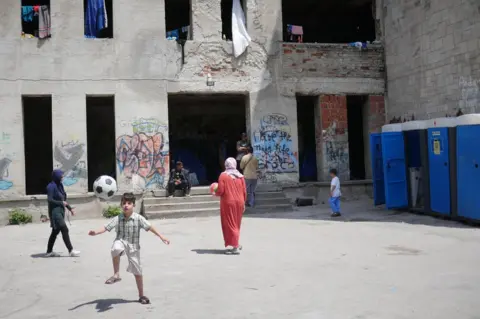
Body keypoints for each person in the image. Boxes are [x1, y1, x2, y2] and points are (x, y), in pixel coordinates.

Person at [88, 192, 170, 305]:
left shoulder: (138, 218)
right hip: (121, 241)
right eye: (124, 203)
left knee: (137, 271)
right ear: (121, 205)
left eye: (129, 203)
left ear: (133, 205)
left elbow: (150, 227)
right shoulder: (118, 218)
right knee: (115, 249)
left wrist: (162, 236)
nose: (126, 205)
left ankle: (141, 295)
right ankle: (116, 274)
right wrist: (95, 232)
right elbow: (106, 227)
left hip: (133, 246)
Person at [45, 169, 80, 257]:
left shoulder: (59, 185)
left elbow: (63, 200)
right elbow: (50, 200)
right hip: (55, 212)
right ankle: (71, 250)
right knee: (64, 229)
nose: (62, 177)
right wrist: (61, 203)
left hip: (60, 211)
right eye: (61, 176)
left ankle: (49, 251)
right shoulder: (51, 186)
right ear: (56, 176)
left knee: (55, 231)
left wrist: (70, 208)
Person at [216, 158, 247, 255]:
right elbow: (244, 191)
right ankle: (235, 243)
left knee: (230, 224)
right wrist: (244, 203)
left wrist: (214, 192)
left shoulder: (223, 176)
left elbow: (220, 190)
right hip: (240, 202)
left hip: (228, 202)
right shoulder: (240, 176)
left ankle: (235, 246)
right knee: (236, 224)